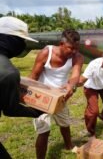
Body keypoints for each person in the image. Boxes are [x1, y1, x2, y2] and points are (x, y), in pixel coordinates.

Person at [29, 29, 84, 159]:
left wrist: (71, 85)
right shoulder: (46, 53)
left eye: (76, 48)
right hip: (41, 96)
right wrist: (29, 95)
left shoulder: (78, 57)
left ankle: (69, 145)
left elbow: (75, 74)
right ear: (61, 44)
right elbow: (34, 76)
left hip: (61, 96)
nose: (74, 51)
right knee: (44, 131)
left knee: (65, 123)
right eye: (71, 48)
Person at [0, 16, 43, 158]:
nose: (23, 45)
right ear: (10, 40)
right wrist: (37, 111)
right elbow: (10, 109)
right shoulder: (8, 72)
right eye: (21, 40)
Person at [78, 48, 103, 138]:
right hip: (91, 87)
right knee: (93, 111)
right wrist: (73, 85)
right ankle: (91, 131)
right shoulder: (94, 64)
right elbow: (83, 79)